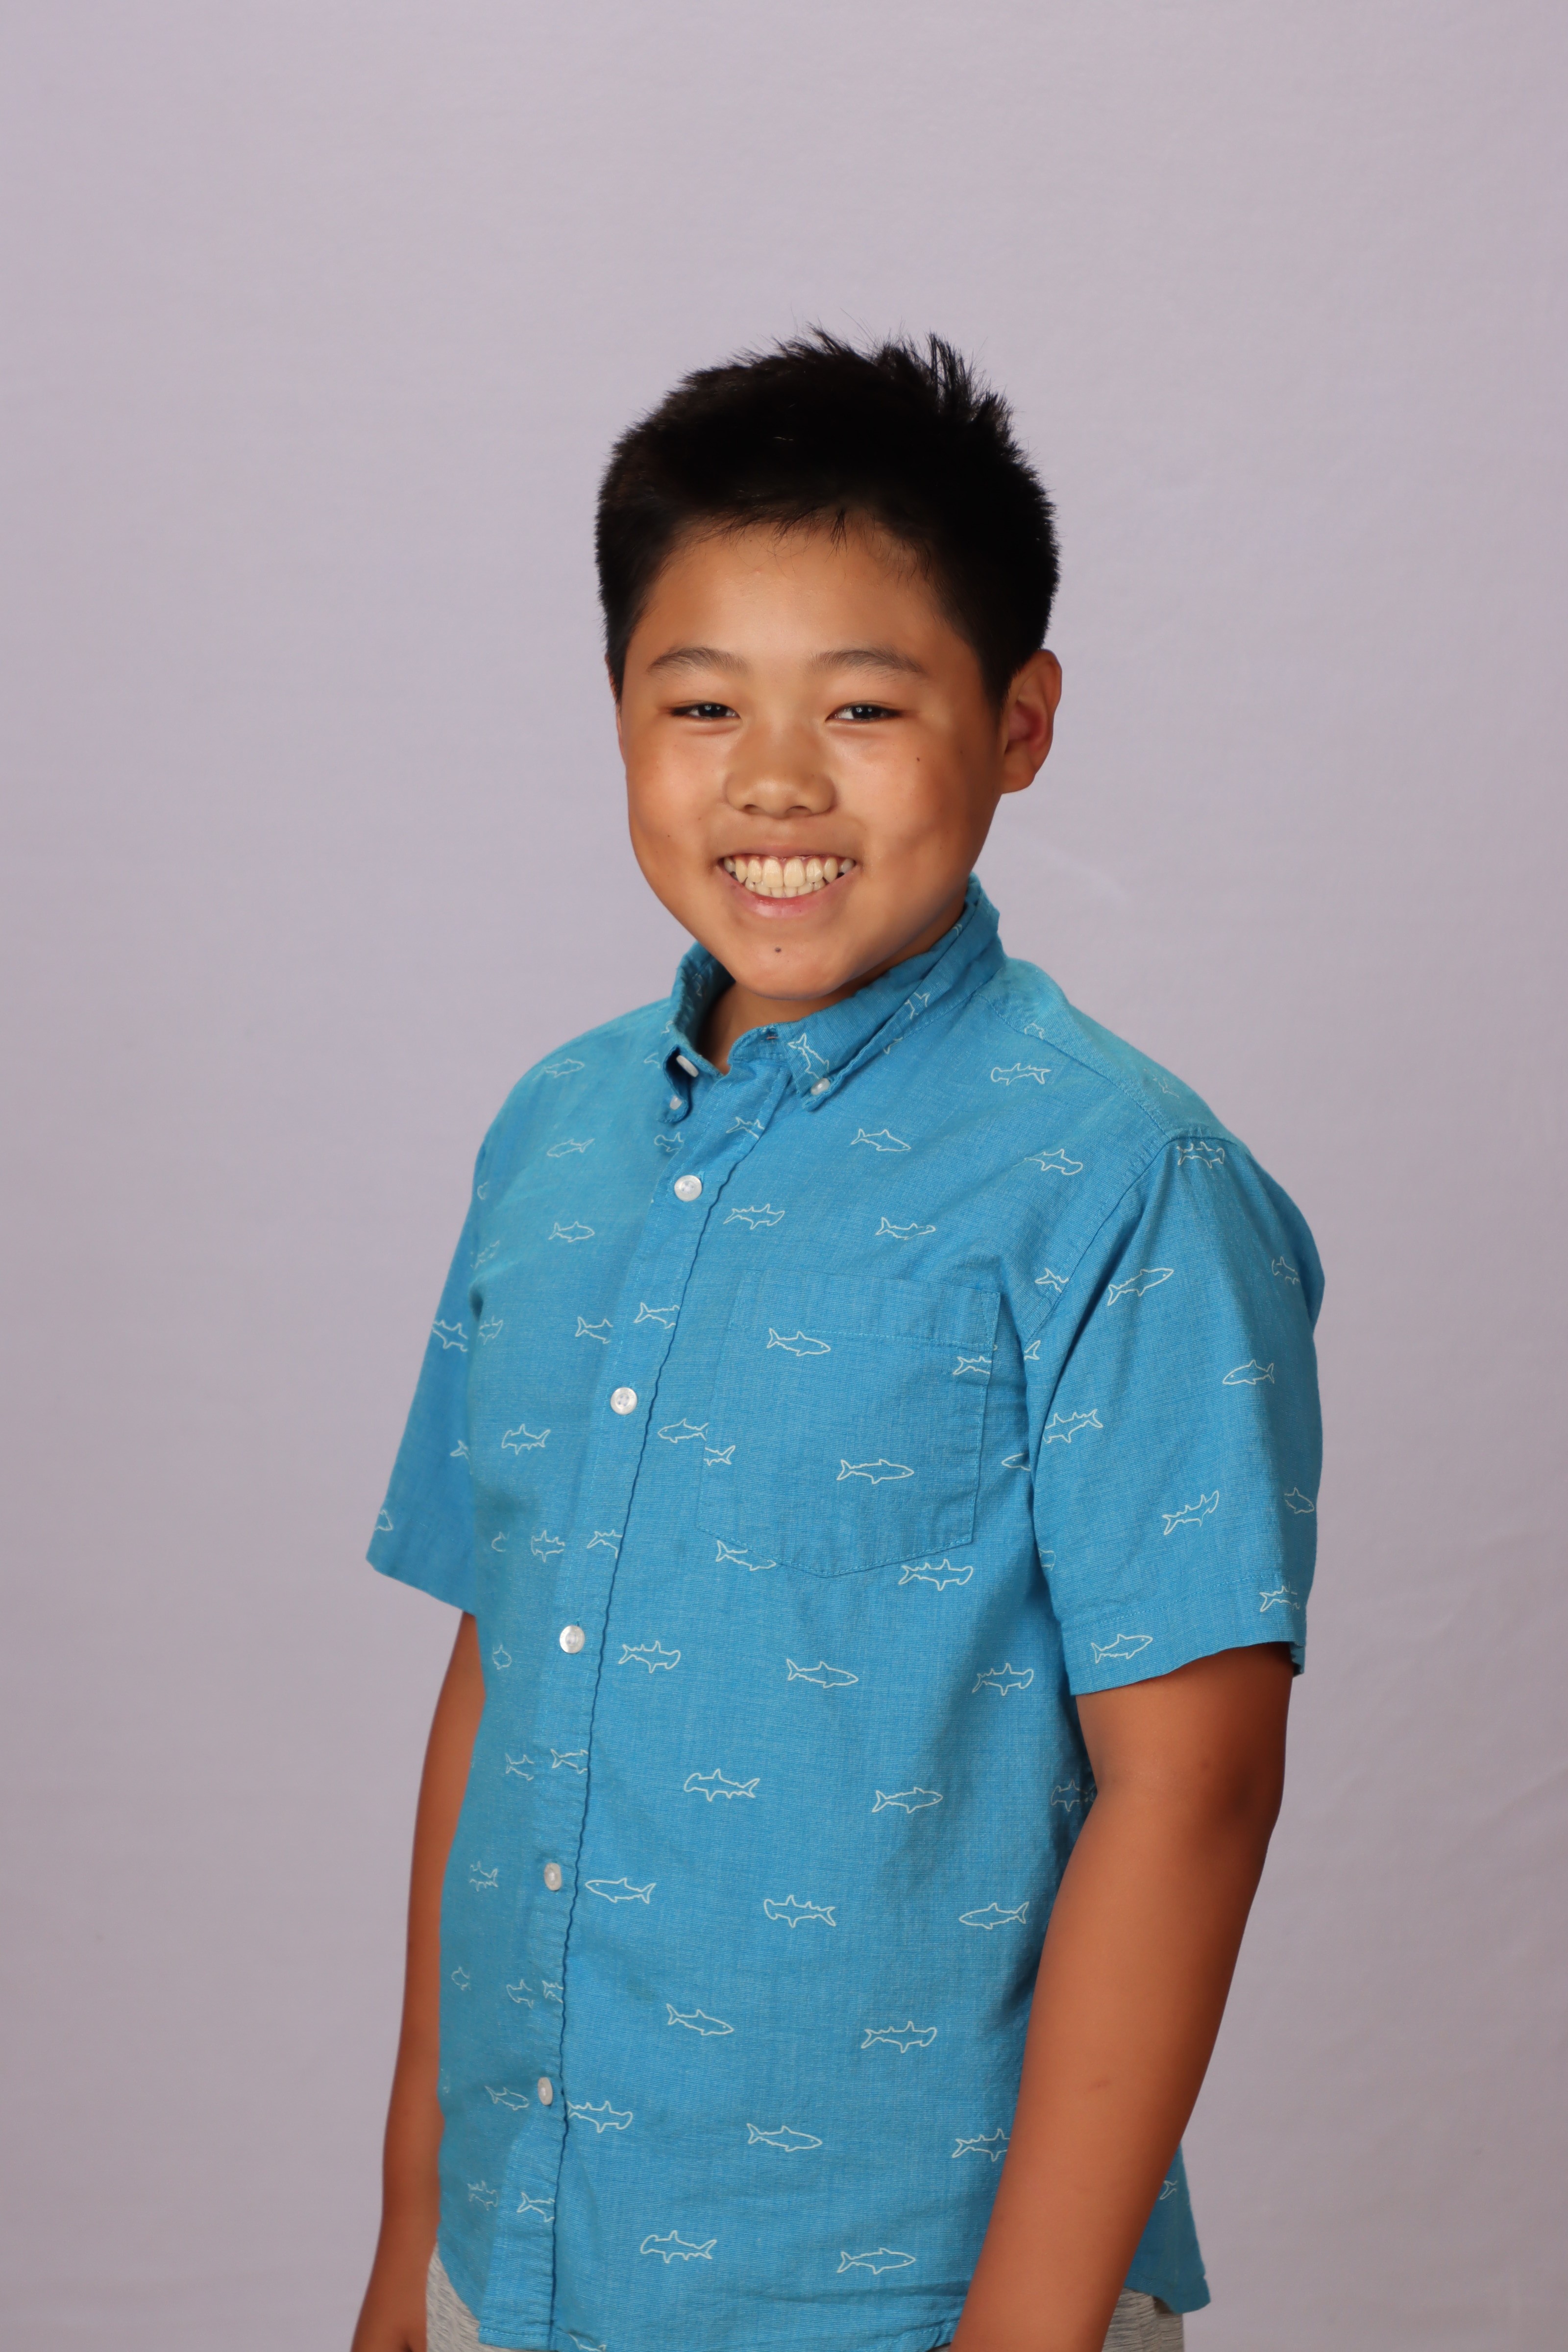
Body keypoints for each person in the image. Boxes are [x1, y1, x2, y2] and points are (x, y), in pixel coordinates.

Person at [350, 333, 1323, 2352]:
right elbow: (500, 1671)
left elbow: (1194, 1788)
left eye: (864, 707)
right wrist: (411, 2247)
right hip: (518, 2265)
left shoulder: (1116, 1181)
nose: (775, 782)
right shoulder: (552, 1137)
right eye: (701, 704)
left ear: (1018, 722)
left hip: (907, 2294)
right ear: (618, 711)